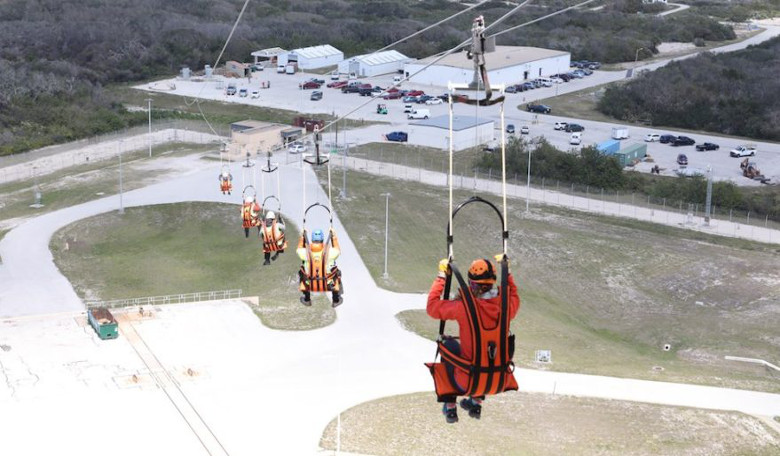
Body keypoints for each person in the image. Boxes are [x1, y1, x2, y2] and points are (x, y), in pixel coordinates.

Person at [427, 257, 520, 424]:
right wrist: (508, 271)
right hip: (497, 381)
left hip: (466, 382)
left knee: (448, 344)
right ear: (492, 282)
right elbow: (513, 294)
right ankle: (475, 402)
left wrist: (441, 276)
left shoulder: (463, 308)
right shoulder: (506, 306)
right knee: (484, 353)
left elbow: (432, 307)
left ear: (471, 284)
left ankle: (450, 406)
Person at [297, 228, 342, 307]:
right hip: (328, 284)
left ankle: (307, 299)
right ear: (322, 239)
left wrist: (302, 237)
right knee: (337, 273)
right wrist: (333, 237)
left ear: (312, 240)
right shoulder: (330, 252)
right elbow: (338, 250)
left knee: (301, 272)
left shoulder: (305, 253)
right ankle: (336, 300)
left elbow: (299, 249)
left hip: (309, 283)